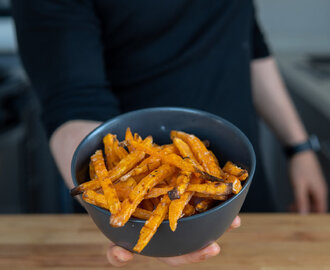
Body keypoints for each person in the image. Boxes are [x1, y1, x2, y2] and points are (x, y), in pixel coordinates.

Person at [12, 0, 328, 267]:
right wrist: (127, 218)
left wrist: (299, 147)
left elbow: (247, 37)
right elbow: (73, 102)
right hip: (150, 227)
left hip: (237, 189)